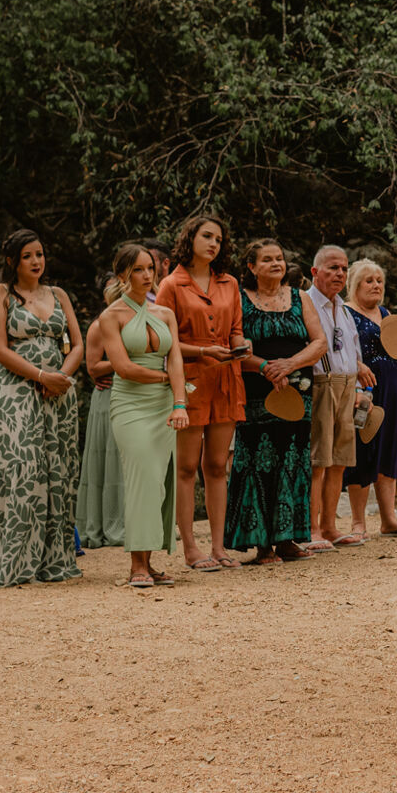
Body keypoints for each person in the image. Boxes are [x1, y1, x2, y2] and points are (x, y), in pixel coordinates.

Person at [0, 229, 85, 587]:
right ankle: (15, 561)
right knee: (24, 470)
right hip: (18, 392)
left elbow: (77, 344)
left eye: (39, 254)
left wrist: (60, 378)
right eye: (28, 256)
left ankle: (55, 560)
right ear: (12, 261)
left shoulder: (58, 294)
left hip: (59, 393)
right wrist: (41, 376)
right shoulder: (0, 294)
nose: (37, 261)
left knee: (59, 469)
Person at [153, 214, 247, 572]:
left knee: (218, 466)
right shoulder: (171, 284)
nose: (213, 244)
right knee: (187, 467)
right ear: (189, 237)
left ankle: (220, 547)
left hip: (226, 378)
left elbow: (236, 329)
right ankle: (191, 547)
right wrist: (204, 351)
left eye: (219, 239)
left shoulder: (230, 283)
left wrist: (240, 345)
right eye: (206, 236)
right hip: (188, 381)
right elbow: (166, 342)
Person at [226, 239, 328, 564]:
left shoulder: (300, 298)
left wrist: (290, 364)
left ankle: (288, 540)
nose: (276, 264)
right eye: (267, 259)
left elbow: (320, 342)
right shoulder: (240, 300)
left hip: (297, 389)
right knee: (258, 460)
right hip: (256, 391)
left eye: (280, 259)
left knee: (294, 460)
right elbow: (236, 348)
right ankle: (262, 545)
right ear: (251, 267)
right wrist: (267, 367)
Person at [94, 244, 190, 588]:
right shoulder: (111, 316)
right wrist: (167, 380)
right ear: (123, 275)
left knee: (160, 483)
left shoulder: (165, 314)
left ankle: (149, 563)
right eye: (138, 269)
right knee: (141, 478)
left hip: (164, 404)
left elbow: (175, 357)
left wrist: (179, 402)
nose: (147, 275)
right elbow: (123, 367)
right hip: (131, 403)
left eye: (150, 268)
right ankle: (136, 564)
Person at [305, 245, 373, 549]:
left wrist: (358, 386)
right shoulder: (305, 303)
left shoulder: (342, 309)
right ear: (315, 272)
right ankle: (312, 529)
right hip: (320, 383)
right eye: (333, 268)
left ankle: (331, 527)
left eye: (344, 269)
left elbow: (351, 349)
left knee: (339, 462)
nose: (340, 274)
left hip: (346, 385)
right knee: (318, 460)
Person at [345, 260, 397, 538]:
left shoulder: (386, 313)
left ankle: (388, 519)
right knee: (364, 449)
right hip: (364, 389)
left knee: (389, 448)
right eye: (369, 281)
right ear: (355, 285)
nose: (376, 285)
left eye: (379, 280)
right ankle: (358, 522)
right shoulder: (346, 313)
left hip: (392, 387)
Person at [75, 285, 125, 551]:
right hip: (110, 395)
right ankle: (108, 521)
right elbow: (93, 367)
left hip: (139, 393)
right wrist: (128, 360)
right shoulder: (98, 326)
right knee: (110, 461)